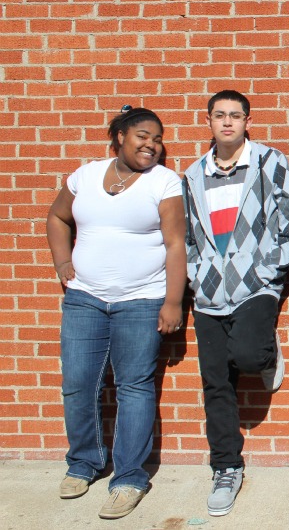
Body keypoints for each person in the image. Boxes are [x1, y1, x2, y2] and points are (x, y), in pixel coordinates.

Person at [46, 105, 185, 520]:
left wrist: (173, 301)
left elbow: (176, 243)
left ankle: (129, 478)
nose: (151, 145)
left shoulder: (164, 182)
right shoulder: (85, 176)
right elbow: (57, 217)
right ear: (120, 136)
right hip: (85, 298)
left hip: (142, 300)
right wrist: (62, 262)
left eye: (158, 139)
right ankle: (84, 463)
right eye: (143, 136)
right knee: (77, 382)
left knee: (134, 387)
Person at [182, 90, 289, 517]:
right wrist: (196, 276)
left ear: (248, 121)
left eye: (235, 115)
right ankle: (226, 468)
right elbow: (187, 235)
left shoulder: (269, 162)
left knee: (248, 355)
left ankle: (266, 352)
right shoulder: (193, 174)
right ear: (209, 121)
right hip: (208, 294)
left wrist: (265, 272)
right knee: (216, 383)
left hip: (256, 287)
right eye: (220, 115)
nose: (228, 122)